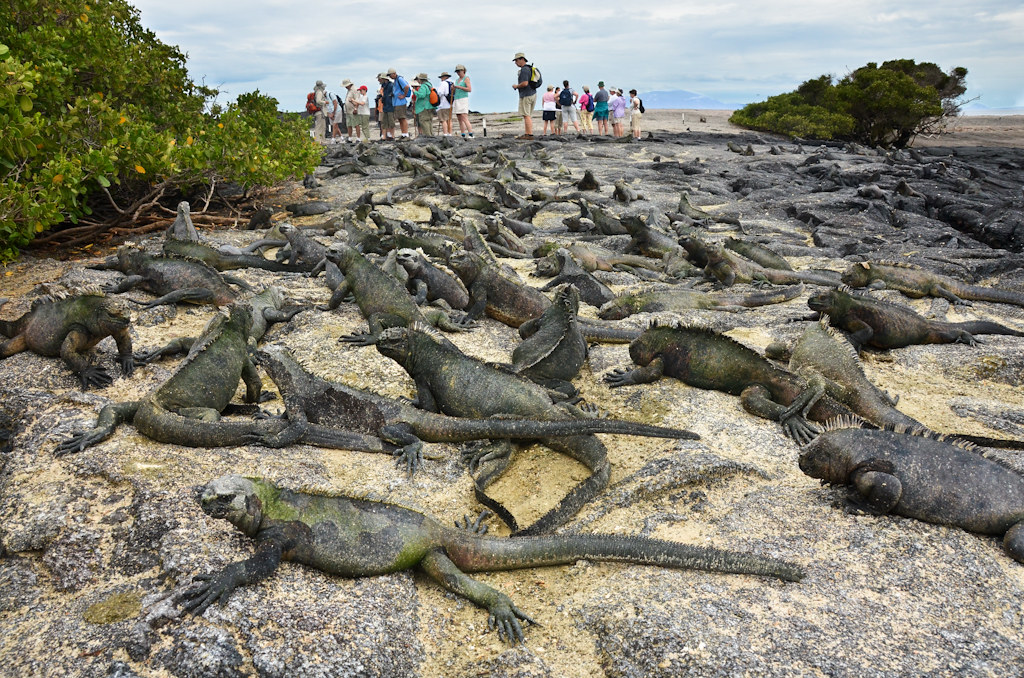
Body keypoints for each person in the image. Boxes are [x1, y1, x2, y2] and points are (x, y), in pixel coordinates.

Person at [511, 52, 536, 139]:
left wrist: (516, 86)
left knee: (526, 115)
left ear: (522, 59)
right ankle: (527, 133)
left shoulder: (524, 70)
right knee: (527, 115)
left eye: (516, 60)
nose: (515, 63)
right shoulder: (529, 68)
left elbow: (525, 83)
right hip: (532, 93)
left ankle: (529, 134)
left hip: (526, 95)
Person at [388, 67, 411, 139]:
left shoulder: (399, 79)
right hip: (397, 102)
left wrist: (404, 95)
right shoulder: (396, 80)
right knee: (400, 119)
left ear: (394, 74)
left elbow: (406, 86)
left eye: (390, 75)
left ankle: (405, 134)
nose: (390, 77)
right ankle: (403, 134)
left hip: (400, 102)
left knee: (402, 118)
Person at [452, 64, 473, 138]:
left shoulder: (466, 78)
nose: (458, 73)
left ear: (463, 71)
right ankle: (463, 134)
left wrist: (459, 87)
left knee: (464, 117)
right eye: (457, 71)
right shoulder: (457, 80)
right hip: (457, 98)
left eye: (459, 71)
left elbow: (469, 89)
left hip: (463, 98)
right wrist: (453, 88)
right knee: (459, 117)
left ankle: (470, 134)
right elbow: (454, 90)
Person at [411, 73, 435, 137]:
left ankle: (428, 136)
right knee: (429, 121)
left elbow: (422, 95)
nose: (417, 81)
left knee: (424, 121)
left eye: (418, 79)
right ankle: (431, 134)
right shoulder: (429, 85)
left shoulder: (423, 86)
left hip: (424, 106)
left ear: (420, 79)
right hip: (430, 106)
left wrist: (415, 91)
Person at [378, 73, 395, 140]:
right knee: (384, 122)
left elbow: (393, 94)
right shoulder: (384, 86)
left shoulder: (390, 85)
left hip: (390, 105)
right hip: (385, 105)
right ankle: (385, 136)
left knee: (391, 122)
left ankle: (392, 136)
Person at [436, 71, 453, 136]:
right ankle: (450, 133)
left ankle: (445, 133)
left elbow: (440, 93)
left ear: (444, 77)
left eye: (442, 77)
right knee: (449, 119)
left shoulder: (443, 83)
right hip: (450, 103)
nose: (441, 79)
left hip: (443, 104)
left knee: (443, 120)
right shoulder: (452, 83)